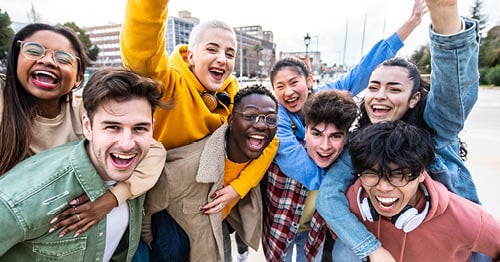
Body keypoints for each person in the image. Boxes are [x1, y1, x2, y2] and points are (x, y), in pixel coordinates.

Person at [316, 0, 486, 260]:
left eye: (394, 89)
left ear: (415, 98)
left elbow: (452, 97)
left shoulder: (435, 131)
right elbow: (328, 197)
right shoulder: (359, 143)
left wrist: (445, 17)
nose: (379, 96)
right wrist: (370, 248)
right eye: (373, 88)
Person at [261, 1, 426, 261]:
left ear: (310, 82)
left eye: (294, 83)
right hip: (283, 214)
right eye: (279, 87)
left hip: (313, 224)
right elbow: (294, 162)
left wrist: (410, 25)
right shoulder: (278, 114)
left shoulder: (327, 96)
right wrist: (338, 180)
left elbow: (362, 71)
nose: (288, 92)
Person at [120, 0, 277, 260]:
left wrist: (239, 188)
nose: (221, 59)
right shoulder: (168, 84)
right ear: (191, 56)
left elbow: (271, 142)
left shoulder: (234, 95)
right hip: (169, 211)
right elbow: (141, 49)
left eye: (229, 53)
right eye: (212, 49)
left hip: (213, 210)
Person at [0, 23, 167, 237]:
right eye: (33, 50)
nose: (47, 60)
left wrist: (110, 199)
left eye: (63, 58)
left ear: (78, 78)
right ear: (14, 60)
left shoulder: (83, 112)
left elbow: (155, 151)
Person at [138, 85, 278, 262]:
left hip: (220, 232)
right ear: (231, 120)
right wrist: (163, 247)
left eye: (271, 120)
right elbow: (145, 213)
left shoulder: (262, 151)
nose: (261, 125)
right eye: (250, 116)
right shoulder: (183, 170)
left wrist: (239, 187)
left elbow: (275, 142)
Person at [335, 120, 500, 261]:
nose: (383, 188)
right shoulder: (350, 204)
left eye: (398, 175)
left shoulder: (468, 219)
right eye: (371, 174)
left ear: (422, 173)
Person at [262, 89, 358, 261]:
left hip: (313, 236)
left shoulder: (346, 170)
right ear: (304, 130)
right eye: (317, 134)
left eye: (335, 136)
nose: (325, 146)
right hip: (278, 233)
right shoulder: (279, 157)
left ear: (346, 137)